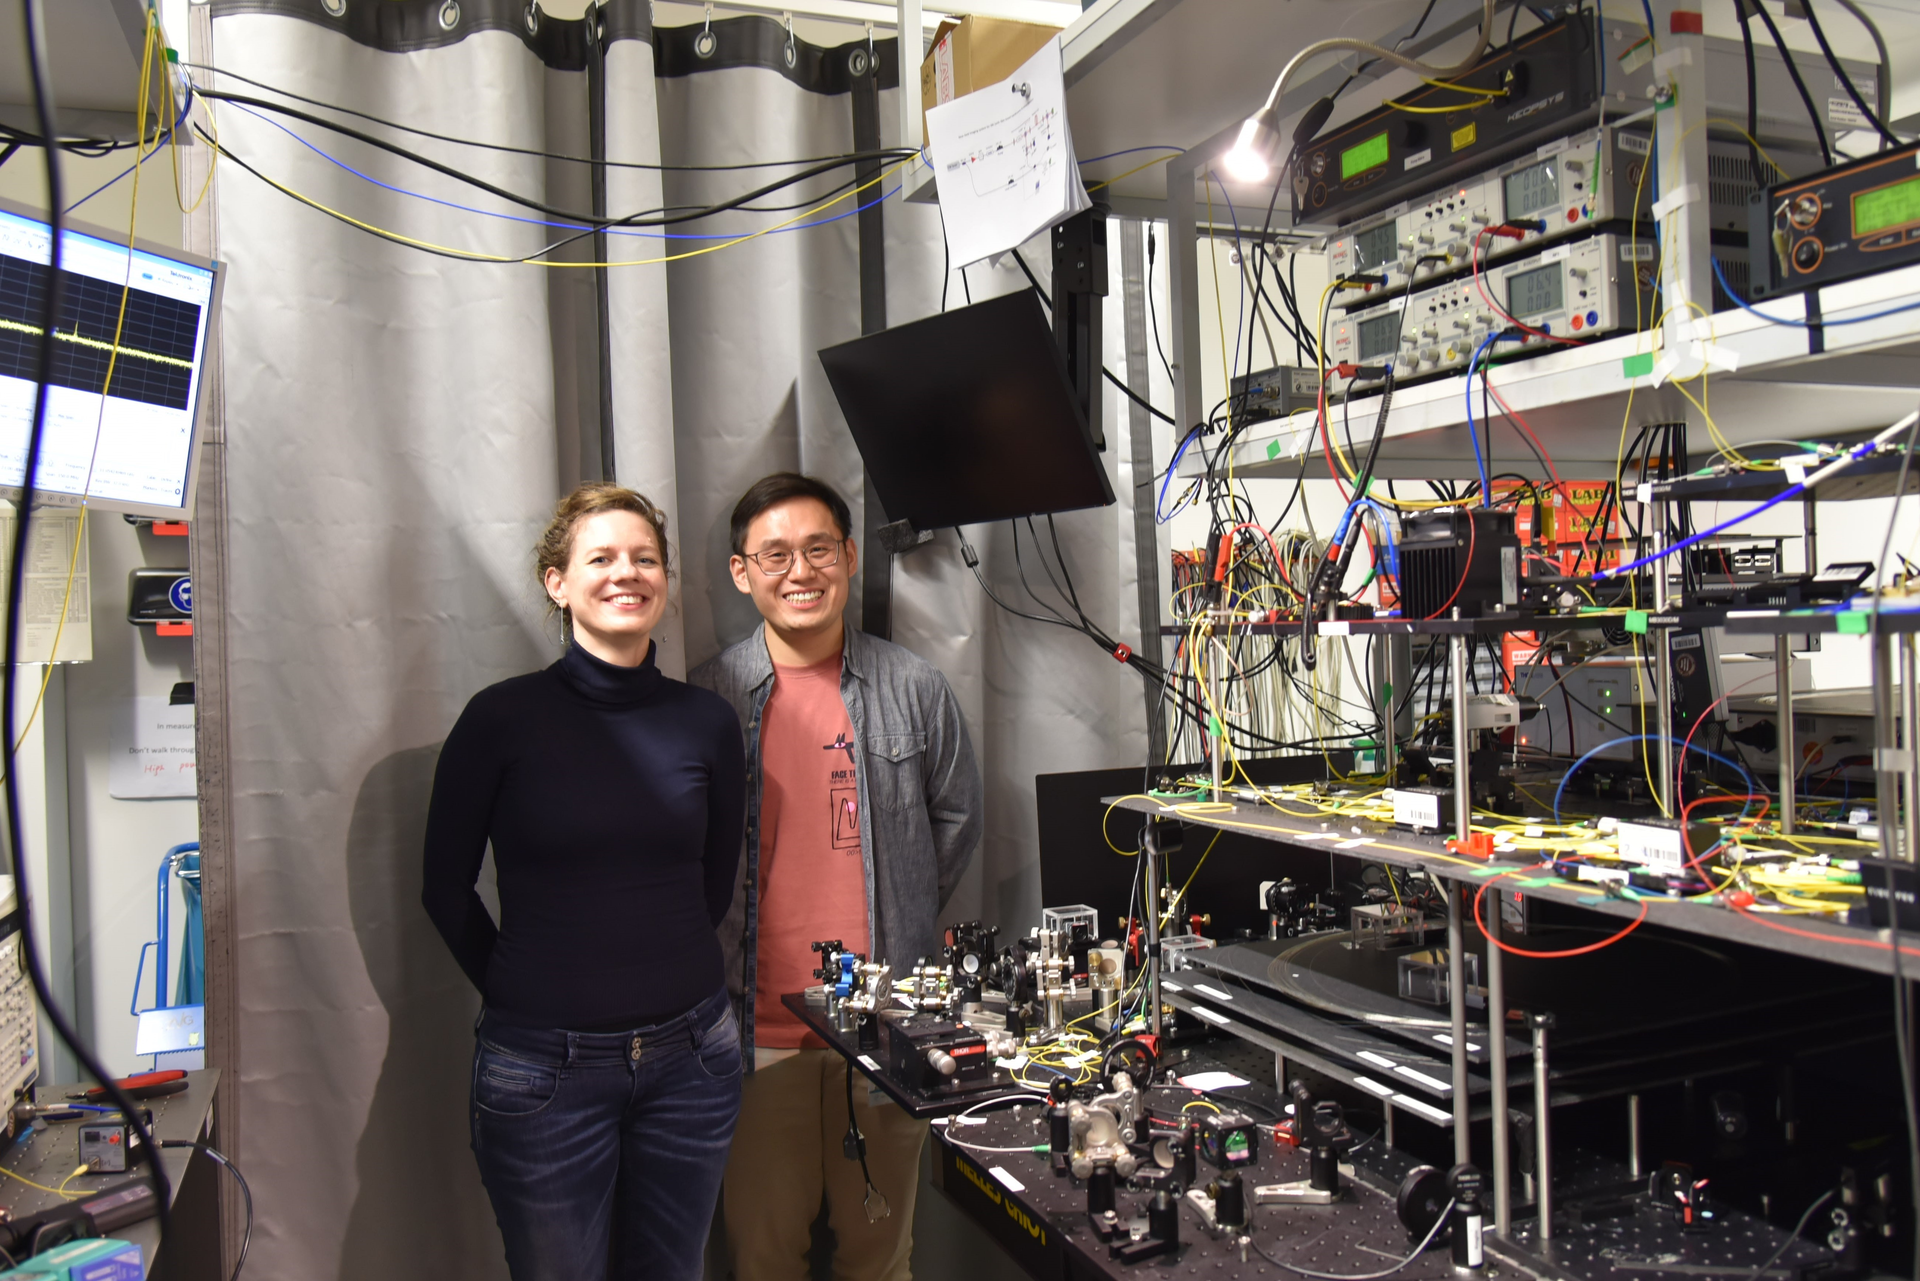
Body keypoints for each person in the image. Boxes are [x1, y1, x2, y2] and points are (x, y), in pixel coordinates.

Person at [422, 482, 748, 1281]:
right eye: (599, 557)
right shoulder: (499, 719)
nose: (625, 572)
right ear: (557, 582)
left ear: (666, 583)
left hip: (695, 1062)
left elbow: (713, 884)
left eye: (644, 557)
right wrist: (525, 988)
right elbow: (443, 888)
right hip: (543, 1074)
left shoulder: (706, 721)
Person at [690, 472, 982, 1281]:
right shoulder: (706, 699)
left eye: (819, 548)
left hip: (884, 1032)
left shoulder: (914, 689)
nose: (800, 570)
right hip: (756, 1036)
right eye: (774, 554)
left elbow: (954, 826)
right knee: (764, 1259)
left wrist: (901, 912)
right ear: (741, 571)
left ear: (850, 557)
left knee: (880, 1258)